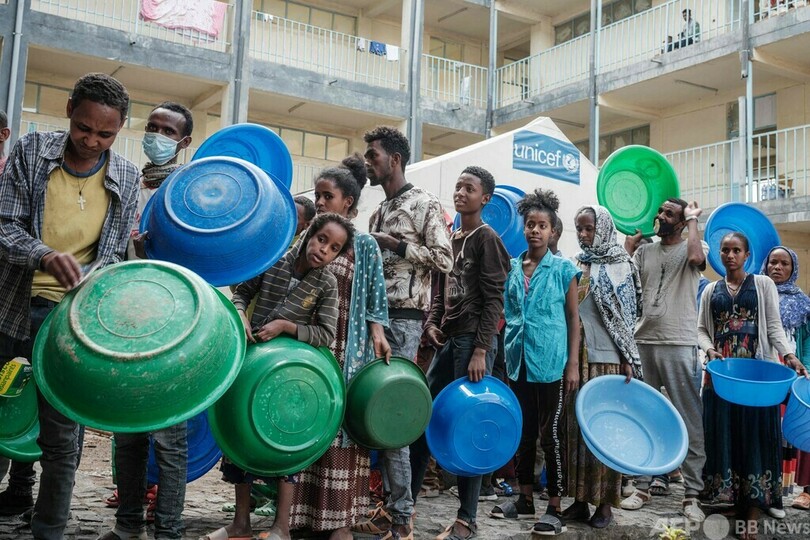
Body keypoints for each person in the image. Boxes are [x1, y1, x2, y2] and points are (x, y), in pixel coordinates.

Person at [0, 72, 140, 539]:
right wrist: (43, 255)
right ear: (68, 111)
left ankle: (50, 531)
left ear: (119, 129)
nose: (92, 141)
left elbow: (114, 255)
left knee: (61, 440)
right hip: (12, 308)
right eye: (84, 128)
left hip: (68, 323)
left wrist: (92, 279)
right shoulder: (31, 152)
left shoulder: (125, 176)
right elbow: (4, 226)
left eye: (106, 134)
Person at [203, 212, 355, 540]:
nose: (324, 250)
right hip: (250, 362)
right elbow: (243, 292)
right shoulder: (274, 260)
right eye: (322, 239)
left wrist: (286, 326)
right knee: (240, 437)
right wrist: (240, 313)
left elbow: (326, 333)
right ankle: (240, 524)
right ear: (309, 234)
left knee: (287, 446)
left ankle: (281, 527)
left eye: (334, 248)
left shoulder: (327, 283)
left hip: (289, 374)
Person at [98, 102, 193, 540]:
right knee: (128, 433)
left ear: (184, 142)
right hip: (127, 320)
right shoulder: (126, 182)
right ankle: (128, 524)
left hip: (176, 323)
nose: (156, 135)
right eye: (152, 127)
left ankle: (168, 530)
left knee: (170, 439)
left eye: (167, 131)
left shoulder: (189, 192)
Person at [353, 126, 452, 540]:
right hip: (372, 319)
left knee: (392, 416)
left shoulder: (425, 203)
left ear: (394, 159)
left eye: (372, 155)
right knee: (364, 412)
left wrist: (394, 245)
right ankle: (380, 507)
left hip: (405, 320)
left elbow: (445, 259)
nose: (367, 162)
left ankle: (402, 519)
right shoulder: (378, 211)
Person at [290, 155, 391, 540]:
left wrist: (378, 333)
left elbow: (376, 299)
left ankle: (341, 526)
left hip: (349, 349)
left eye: (327, 196)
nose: (319, 201)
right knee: (309, 422)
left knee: (343, 429)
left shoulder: (364, 244)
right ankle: (303, 517)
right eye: (317, 195)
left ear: (348, 202)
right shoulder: (308, 237)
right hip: (311, 345)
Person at [410, 166, 510, 540]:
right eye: (458, 186)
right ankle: (405, 508)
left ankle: (467, 519)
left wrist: (481, 350)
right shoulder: (450, 238)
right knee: (423, 419)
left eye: (469, 188)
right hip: (448, 340)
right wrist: (432, 323)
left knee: (469, 428)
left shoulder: (488, 239)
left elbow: (494, 300)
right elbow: (440, 290)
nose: (461, 193)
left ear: (485, 198)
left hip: (473, 343)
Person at [697, 233, 806, 539]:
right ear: (719, 254)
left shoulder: (762, 284)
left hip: (757, 376)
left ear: (747, 255)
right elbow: (701, 329)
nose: (730, 255)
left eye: (736, 250)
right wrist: (709, 349)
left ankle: (754, 510)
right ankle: (733, 500)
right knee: (725, 434)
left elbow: (774, 327)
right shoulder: (710, 290)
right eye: (725, 250)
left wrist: (789, 356)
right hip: (721, 376)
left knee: (756, 436)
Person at [489, 188, 579, 537]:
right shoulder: (513, 267)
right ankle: (524, 498)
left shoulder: (563, 269)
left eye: (542, 226)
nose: (535, 231)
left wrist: (572, 364)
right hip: (518, 361)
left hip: (551, 362)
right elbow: (508, 312)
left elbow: (573, 319)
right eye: (530, 224)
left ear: (553, 231)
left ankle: (554, 507)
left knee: (550, 435)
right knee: (524, 433)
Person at [621, 198, 707, 522]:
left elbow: (697, 259)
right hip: (643, 341)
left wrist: (694, 219)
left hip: (679, 342)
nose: (660, 216)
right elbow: (623, 283)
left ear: (681, 222)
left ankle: (692, 493)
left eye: (669, 214)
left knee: (689, 417)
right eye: (660, 211)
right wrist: (629, 247)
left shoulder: (694, 245)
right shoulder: (645, 252)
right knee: (643, 415)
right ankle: (641, 486)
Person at [562, 205, 642, 529]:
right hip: (576, 358)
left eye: (589, 228)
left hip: (608, 360)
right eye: (579, 228)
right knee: (576, 430)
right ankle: (580, 500)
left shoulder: (622, 265)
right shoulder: (576, 263)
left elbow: (627, 319)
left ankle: (606, 504)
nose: (583, 235)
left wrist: (626, 359)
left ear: (604, 229)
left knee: (606, 432)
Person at [759, 247, 810, 512]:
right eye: (773, 262)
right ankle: (767, 489)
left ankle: (807, 490)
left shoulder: (804, 303)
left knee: (799, 428)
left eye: (784, 263)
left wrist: (806, 369)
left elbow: (808, 341)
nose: (777, 267)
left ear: (793, 269)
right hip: (764, 370)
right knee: (767, 430)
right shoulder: (755, 294)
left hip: (794, 370)